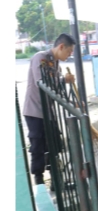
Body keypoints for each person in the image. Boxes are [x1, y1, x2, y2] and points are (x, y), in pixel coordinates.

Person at [22, 34, 76, 185]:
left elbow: (56, 90)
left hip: (49, 112)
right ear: (61, 47)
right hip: (35, 110)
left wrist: (72, 102)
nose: (70, 55)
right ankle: (38, 180)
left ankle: (55, 179)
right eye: (69, 51)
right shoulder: (41, 57)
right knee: (37, 144)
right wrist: (63, 80)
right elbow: (42, 82)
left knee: (54, 144)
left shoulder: (55, 63)